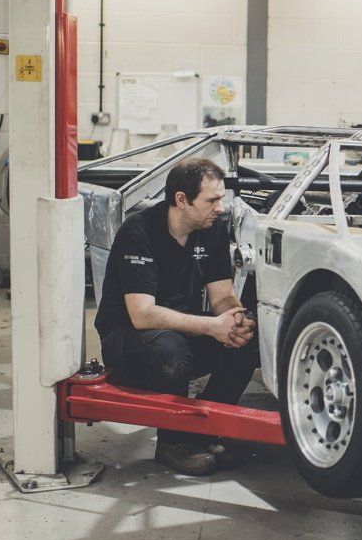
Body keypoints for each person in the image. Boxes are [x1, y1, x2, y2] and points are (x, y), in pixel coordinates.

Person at [94, 157, 258, 476]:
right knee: (170, 351)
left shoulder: (212, 229)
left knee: (248, 342)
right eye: (211, 200)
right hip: (127, 338)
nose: (221, 207)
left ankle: (203, 430)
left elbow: (222, 295)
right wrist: (212, 326)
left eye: (221, 199)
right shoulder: (139, 231)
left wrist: (235, 320)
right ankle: (172, 443)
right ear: (181, 200)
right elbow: (141, 315)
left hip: (182, 330)